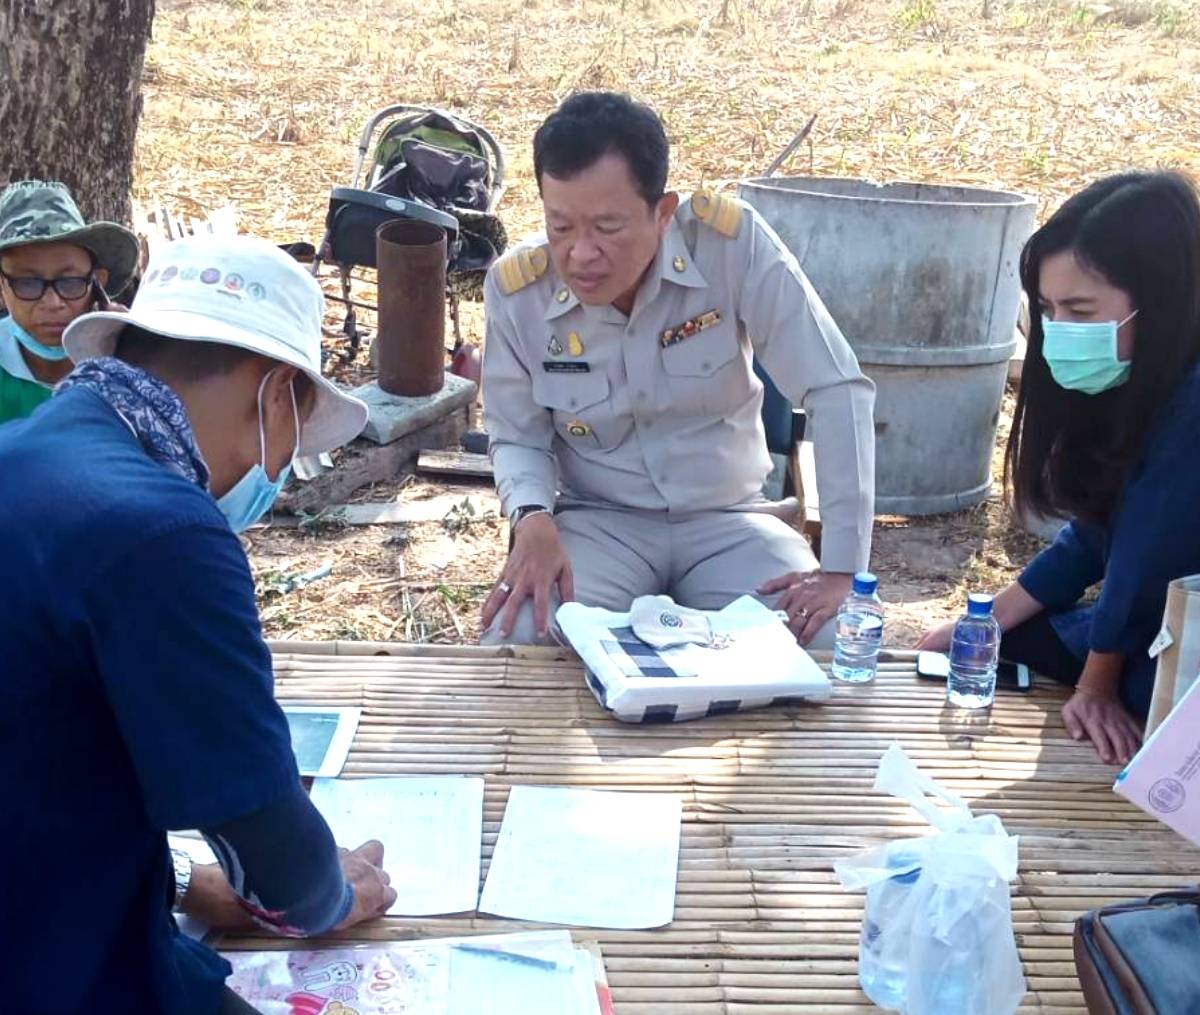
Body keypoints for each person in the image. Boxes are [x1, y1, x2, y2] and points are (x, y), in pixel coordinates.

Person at [0, 234, 397, 1013]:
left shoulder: (22, 449)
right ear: (276, 394)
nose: (279, 471)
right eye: (294, 442)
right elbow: (277, 862)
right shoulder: (164, 532)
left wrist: (181, 880)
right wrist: (325, 897)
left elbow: (45, 766)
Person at [480, 92, 875, 647]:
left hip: (730, 521)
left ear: (663, 213)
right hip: (598, 523)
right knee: (519, 637)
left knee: (833, 637)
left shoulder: (730, 247)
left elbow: (836, 387)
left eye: (608, 228)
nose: (581, 255)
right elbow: (514, 433)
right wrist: (532, 520)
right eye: (561, 226)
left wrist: (841, 569)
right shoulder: (517, 290)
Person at [919, 171, 1200, 766]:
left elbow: (1152, 552)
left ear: (1161, 301)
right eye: (1048, 310)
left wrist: (1095, 685)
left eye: (1080, 308)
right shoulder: (1145, 376)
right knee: (1013, 643)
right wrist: (989, 620)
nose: (1059, 332)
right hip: (1156, 604)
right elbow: (1102, 527)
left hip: (1177, 606)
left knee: (1150, 703)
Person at [0, 179, 138, 423]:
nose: (53, 303)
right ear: (2, 287)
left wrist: (131, 354)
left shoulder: (128, 364)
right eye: (28, 284)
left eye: (70, 282)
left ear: (97, 282)